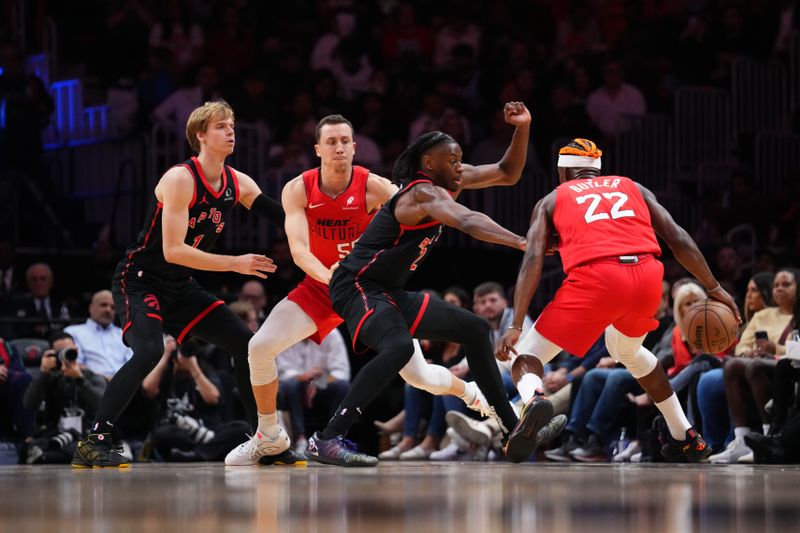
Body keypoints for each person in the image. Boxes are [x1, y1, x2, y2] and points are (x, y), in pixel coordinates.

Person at [226, 107, 532, 465]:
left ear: (355, 147)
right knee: (259, 346)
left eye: (344, 141)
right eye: (331, 142)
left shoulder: (379, 186)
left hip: (373, 290)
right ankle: (269, 436)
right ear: (318, 149)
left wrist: (523, 127)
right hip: (330, 287)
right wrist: (333, 279)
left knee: (422, 374)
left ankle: (479, 400)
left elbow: (490, 180)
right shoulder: (299, 188)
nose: (339, 147)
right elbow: (298, 250)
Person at [306, 124, 562, 467]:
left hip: (391, 292)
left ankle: (510, 427)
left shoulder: (448, 182)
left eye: (461, 160)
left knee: (474, 329)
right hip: (357, 286)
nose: (460, 167)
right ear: (428, 163)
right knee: (397, 348)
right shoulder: (421, 194)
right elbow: (468, 221)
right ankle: (327, 438)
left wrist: (524, 127)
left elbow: (507, 171)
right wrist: (523, 242)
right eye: (452, 160)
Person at [71, 100, 289, 468]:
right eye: (221, 126)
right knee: (149, 351)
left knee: (247, 345)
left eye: (232, 124)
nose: (231, 131)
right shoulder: (180, 179)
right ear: (200, 136)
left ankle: (264, 440)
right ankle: (94, 440)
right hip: (139, 280)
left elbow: (284, 218)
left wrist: (324, 220)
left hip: (179, 285)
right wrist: (235, 263)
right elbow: (173, 250)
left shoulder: (239, 182)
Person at [496, 138, 740, 463]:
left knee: (524, 357)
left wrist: (515, 323)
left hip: (597, 279)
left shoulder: (552, 199)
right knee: (627, 351)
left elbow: (533, 259)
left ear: (564, 171)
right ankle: (685, 435)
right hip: (648, 277)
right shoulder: (632, 187)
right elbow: (677, 237)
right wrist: (713, 287)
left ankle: (534, 397)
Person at [64, 290, 133, 380]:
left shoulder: (124, 334)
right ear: (91, 308)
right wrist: (105, 379)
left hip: (126, 386)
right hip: (91, 386)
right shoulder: (73, 332)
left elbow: (133, 365)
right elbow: (75, 364)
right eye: (103, 305)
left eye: (113, 307)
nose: (108, 310)